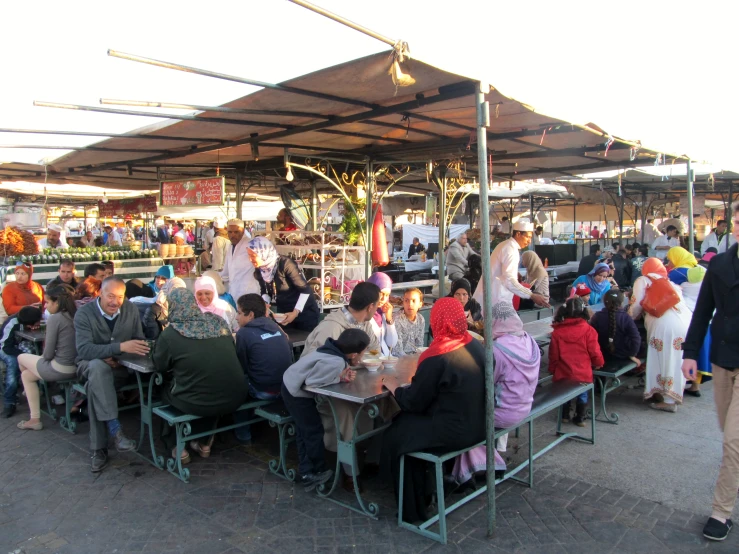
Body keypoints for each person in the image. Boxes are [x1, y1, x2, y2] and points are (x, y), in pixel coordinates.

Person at [381, 298, 486, 523]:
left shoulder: (437, 355)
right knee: (406, 428)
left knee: (397, 434)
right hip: (480, 425)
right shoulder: (474, 344)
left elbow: (413, 402)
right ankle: (430, 489)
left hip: (455, 431)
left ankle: (414, 508)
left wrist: (395, 388)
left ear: (436, 320)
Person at [681, 204, 739, 540]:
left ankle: (721, 512)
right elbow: (702, 313)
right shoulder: (719, 264)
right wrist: (690, 353)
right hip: (721, 359)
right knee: (726, 431)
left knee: (733, 443)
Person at [153, 288, 247, 464]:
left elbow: (160, 366)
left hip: (198, 401)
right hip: (236, 396)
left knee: (165, 391)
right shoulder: (218, 322)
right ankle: (203, 442)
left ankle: (177, 447)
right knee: (210, 383)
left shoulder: (170, 334)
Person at [450, 302, 540, 483]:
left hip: (501, 414)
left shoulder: (498, 350)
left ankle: (471, 470)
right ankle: (484, 461)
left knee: (458, 417)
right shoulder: (529, 340)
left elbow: (483, 384)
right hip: (524, 406)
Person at [74, 277, 149, 473]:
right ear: (100, 293)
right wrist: (117, 348)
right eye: (110, 296)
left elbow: (138, 343)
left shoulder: (130, 310)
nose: (115, 302)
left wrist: (117, 354)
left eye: (120, 297)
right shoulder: (84, 314)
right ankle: (115, 430)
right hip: (87, 366)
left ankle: (99, 450)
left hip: (119, 368)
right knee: (97, 368)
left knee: (94, 387)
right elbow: (83, 350)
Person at [282, 328, 369, 491]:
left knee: (303, 431)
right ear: (354, 354)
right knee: (312, 431)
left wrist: (339, 377)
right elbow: (312, 382)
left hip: (290, 382)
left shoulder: (331, 350)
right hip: (296, 393)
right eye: (362, 353)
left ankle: (306, 469)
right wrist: (338, 377)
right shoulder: (336, 362)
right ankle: (317, 469)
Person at [628, 258, 691, 413]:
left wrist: (628, 317)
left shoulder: (643, 280)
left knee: (663, 358)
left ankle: (668, 400)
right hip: (684, 322)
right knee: (676, 359)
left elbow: (636, 305)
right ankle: (667, 394)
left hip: (664, 324)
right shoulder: (670, 282)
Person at [16, 286, 77, 430]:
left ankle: (34, 393)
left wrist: (44, 358)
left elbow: (48, 354)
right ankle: (34, 418)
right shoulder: (77, 314)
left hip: (59, 368)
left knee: (20, 357)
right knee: (27, 375)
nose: (45, 306)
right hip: (77, 367)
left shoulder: (56, 318)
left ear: (56, 303)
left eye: (47, 302)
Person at [233, 294, 292, 444]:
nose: (236, 318)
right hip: (285, 388)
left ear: (250, 315)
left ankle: (243, 435)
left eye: (239, 313)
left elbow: (242, 366)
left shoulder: (244, 333)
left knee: (235, 387)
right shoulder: (275, 326)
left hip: (264, 391)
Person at [549, 297, 604, 426]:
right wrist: (599, 363)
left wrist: (552, 369)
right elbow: (595, 352)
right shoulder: (589, 331)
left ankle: (564, 415)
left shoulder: (557, 332)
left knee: (563, 393)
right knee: (583, 394)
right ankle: (580, 417)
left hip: (563, 372)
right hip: (583, 372)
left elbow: (553, 355)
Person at [247, 236, 320, 331]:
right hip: (284, 314)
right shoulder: (261, 269)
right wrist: (264, 304)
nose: (250, 259)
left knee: (303, 341)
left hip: (304, 313)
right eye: (249, 256)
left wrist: (295, 312)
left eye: (253, 256)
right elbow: (265, 291)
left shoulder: (286, 264)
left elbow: (305, 290)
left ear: (263, 253)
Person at [472, 221, 549, 308]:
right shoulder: (511, 250)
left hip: (492, 298)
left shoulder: (506, 245)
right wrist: (532, 295)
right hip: (495, 300)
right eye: (527, 237)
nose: (529, 241)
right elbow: (510, 280)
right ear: (518, 234)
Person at [0, 306, 43, 418]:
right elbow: (5, 347)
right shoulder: (12, 323)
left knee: (36, 356)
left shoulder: (36, 320)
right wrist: (23, 357)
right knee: (13, 364)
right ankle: (9, 402)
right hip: (6, 348)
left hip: (21, 347)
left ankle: (35, 391)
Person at [680, 265, 711, 397]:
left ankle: (681, 385)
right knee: (701, 356)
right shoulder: (709, 286)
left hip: (690, 325)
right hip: (708, 325)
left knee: (688, 355)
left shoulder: (685, 286)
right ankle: (695, 385)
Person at [590, 289, 641, 365]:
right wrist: (632, 354)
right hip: (623, 355)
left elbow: (591, 339)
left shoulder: (596, 317)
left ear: (604, 301)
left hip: (603, 355)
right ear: (622, 302)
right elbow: (636, 338)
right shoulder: (625, 317)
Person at [220, 219, 259, 302]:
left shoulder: (251, 244)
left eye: (236, 232)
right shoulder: (231, 246)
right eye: (230, 232)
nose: (233, 235)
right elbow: (226, 272)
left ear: (243, 231)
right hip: (234, 292)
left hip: (249, 292)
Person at [365, 272, 398, 356]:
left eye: (387, 295)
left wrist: (389, 319)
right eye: (381, 293)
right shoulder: (363, 313)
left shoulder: (382, 312)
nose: (383, 298)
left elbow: (392, 344)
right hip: (371, 362)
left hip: (385, 360)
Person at [391, 288, 425, 357]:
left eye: (414, 301)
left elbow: (419, 345)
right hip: (399, 358)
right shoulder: (397, 319)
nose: (410, 304)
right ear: (403, 303)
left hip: (414, 357)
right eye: (406, 301)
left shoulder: (420, 319)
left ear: (420, 304)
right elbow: (397, 350)